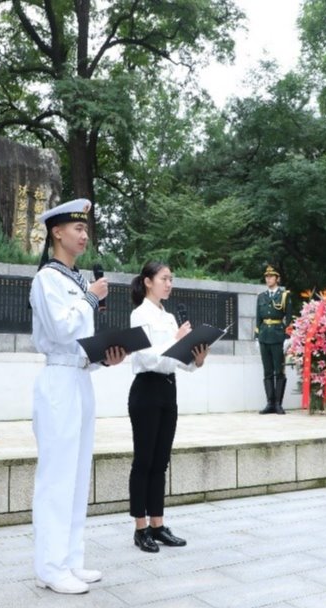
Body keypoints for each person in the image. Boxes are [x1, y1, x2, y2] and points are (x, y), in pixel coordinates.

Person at [28, 198, 126, 594]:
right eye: (78, 228)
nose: (84, 235)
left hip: (80, 377)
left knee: (78, 473)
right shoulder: (47, 279)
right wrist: (90, 299)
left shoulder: (77, 281)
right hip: (58, 381)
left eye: (86, 229)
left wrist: (105, 357)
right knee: (57, 476)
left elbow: (81, 344)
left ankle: (70, 559)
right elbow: (60, 331)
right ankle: (51, 568)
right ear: (57, 232)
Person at [128, 261, 208, 553]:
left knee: (161, 461)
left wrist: (197, 358)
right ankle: (140, 528)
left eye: (171, 279)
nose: (169, 284)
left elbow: (180, 361)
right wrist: (175, 340)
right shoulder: (139, 314)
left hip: (168, 390)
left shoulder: (171, 317)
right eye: (164, 278)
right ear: (148, 281)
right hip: (146, 389)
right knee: (144, 461)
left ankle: (158, 525)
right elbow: (147, 358)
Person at [255, 265, 292, 414]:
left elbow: (288, 317)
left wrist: (287, 337)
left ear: (277, 279)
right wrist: (256, 337)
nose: (268, 279)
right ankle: (270, 403)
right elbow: (258, 318)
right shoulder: (261, 296)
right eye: (266, 277)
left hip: (278, 335)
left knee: (279, 371)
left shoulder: (284, 295)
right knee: (267, 371)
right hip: (264, 335)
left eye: (271, 276)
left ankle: (278, 403)